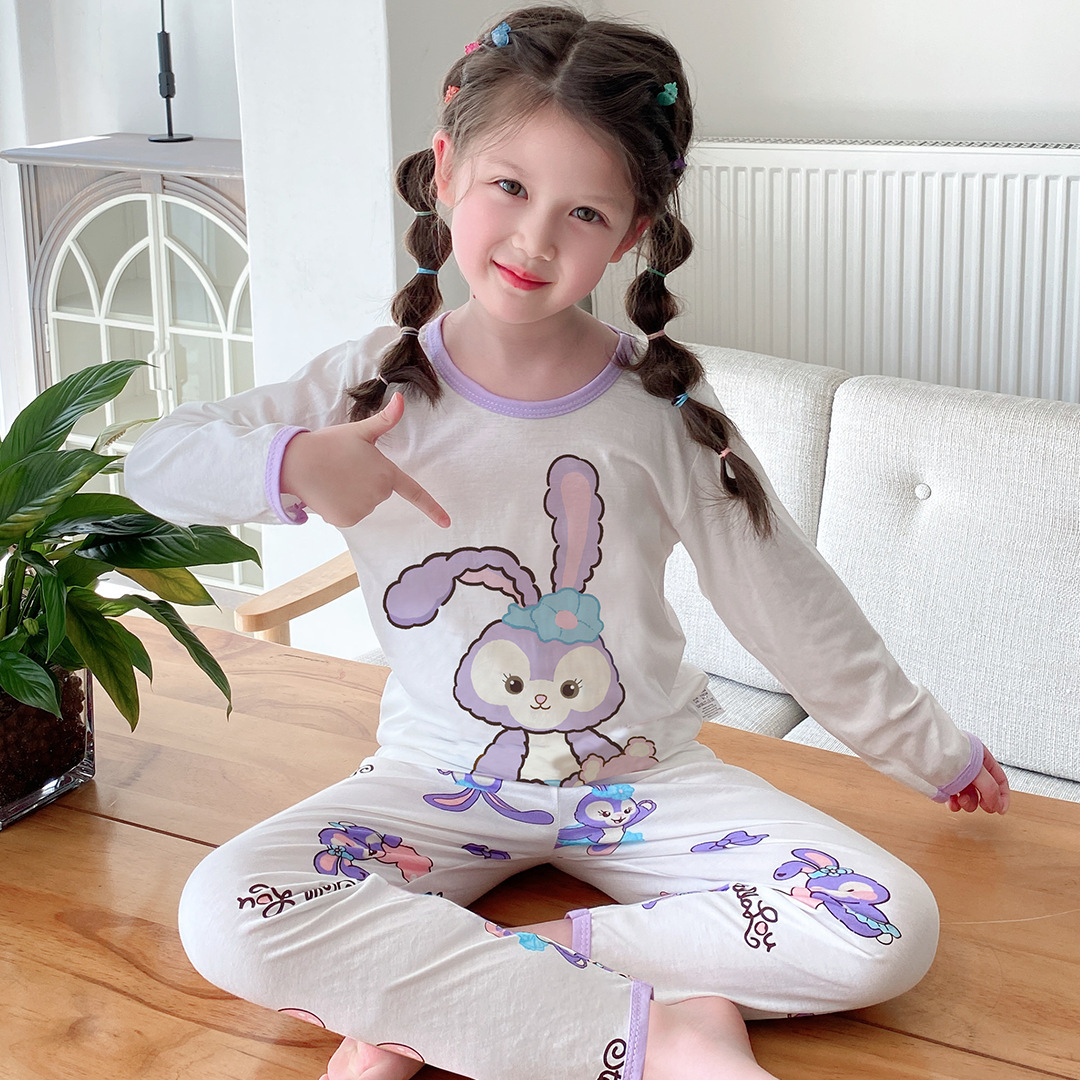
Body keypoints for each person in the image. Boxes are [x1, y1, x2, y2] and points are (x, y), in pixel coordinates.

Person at [124, 8, 1010, 1080]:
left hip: (643, 782)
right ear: (446, 171)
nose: (536, 239)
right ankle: (666, 1034)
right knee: (223, 912)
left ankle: (443, 990)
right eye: (509, 186)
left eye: (583, 211)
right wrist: (293, 463)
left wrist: (932, 749)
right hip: (436, 784)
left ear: (631, 234)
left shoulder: (659, 409)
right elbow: (152, 461)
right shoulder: (368, 385)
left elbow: (785, 597)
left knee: (889, 926)